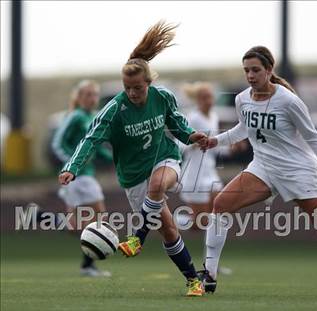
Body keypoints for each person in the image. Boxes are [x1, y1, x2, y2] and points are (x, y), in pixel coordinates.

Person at [198, 46, 317, 296]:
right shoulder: (242, 98)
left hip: (297, 170)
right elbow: (243, 129)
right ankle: (209, 275)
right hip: (263, 167)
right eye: (246, 71)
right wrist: (215, 141)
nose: (251, 75)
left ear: (269, 70)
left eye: (255, 70)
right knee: (220, 205)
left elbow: (314, 138)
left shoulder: (288, 101)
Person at [58, 21, 207, 297]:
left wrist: (191, 137)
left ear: (149, 82)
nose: (132, 93)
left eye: (137, 87)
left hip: (165, 159)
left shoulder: (162, 97)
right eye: (127, 88)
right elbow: (90, 138)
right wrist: (72, 167)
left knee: (158, 185)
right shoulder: (114, 109)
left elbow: (177, 126)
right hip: (133, 177)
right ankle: (193, 279)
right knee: (170, 231)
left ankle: (137, 239)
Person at [51, 80, 113, 277]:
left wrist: (114, 159)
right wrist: (72, 165)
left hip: (86, 175)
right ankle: (88, 265)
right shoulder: (76, 116)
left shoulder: (92, 116)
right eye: (87, 94)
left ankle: (38, 216)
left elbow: (94, 147)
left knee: (75, 227)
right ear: (78, 97)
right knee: (100, 219)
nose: (92, 98)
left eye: (94, 94)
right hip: (77, 176)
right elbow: (57, 143)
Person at [178, 82, 232, 275]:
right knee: (198, 224)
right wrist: (193, 144)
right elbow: (180, 145)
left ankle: (211, 264)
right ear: (198, 99)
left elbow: (214, 145)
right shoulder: (192, 118)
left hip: (210, 173)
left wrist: (230, 147)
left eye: (211, 97)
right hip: (194, 174)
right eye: (205, 97)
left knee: (217, 215)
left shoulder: (214, 116)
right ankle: (169, 219)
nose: (209, 101)